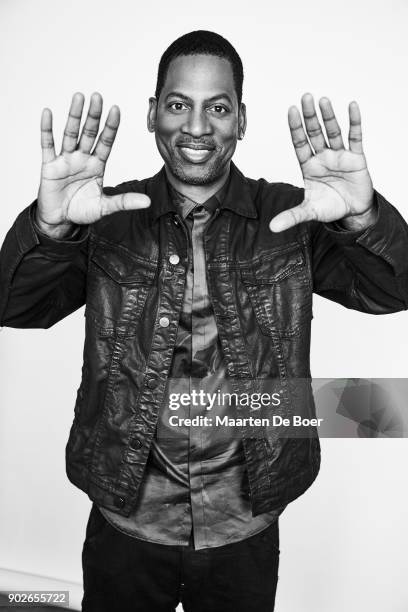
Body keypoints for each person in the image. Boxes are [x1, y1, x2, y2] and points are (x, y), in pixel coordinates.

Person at [0, 29, 407, 612]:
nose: (196, 126)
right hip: (127, 520)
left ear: (241, 119)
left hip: (244, 524)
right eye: (177, 104)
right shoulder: (107, 218)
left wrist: (363, 218)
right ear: (152, 114)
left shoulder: (293, 218)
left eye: (217, 107)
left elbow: (394, 289)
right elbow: (15, 306)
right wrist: (52, 227)